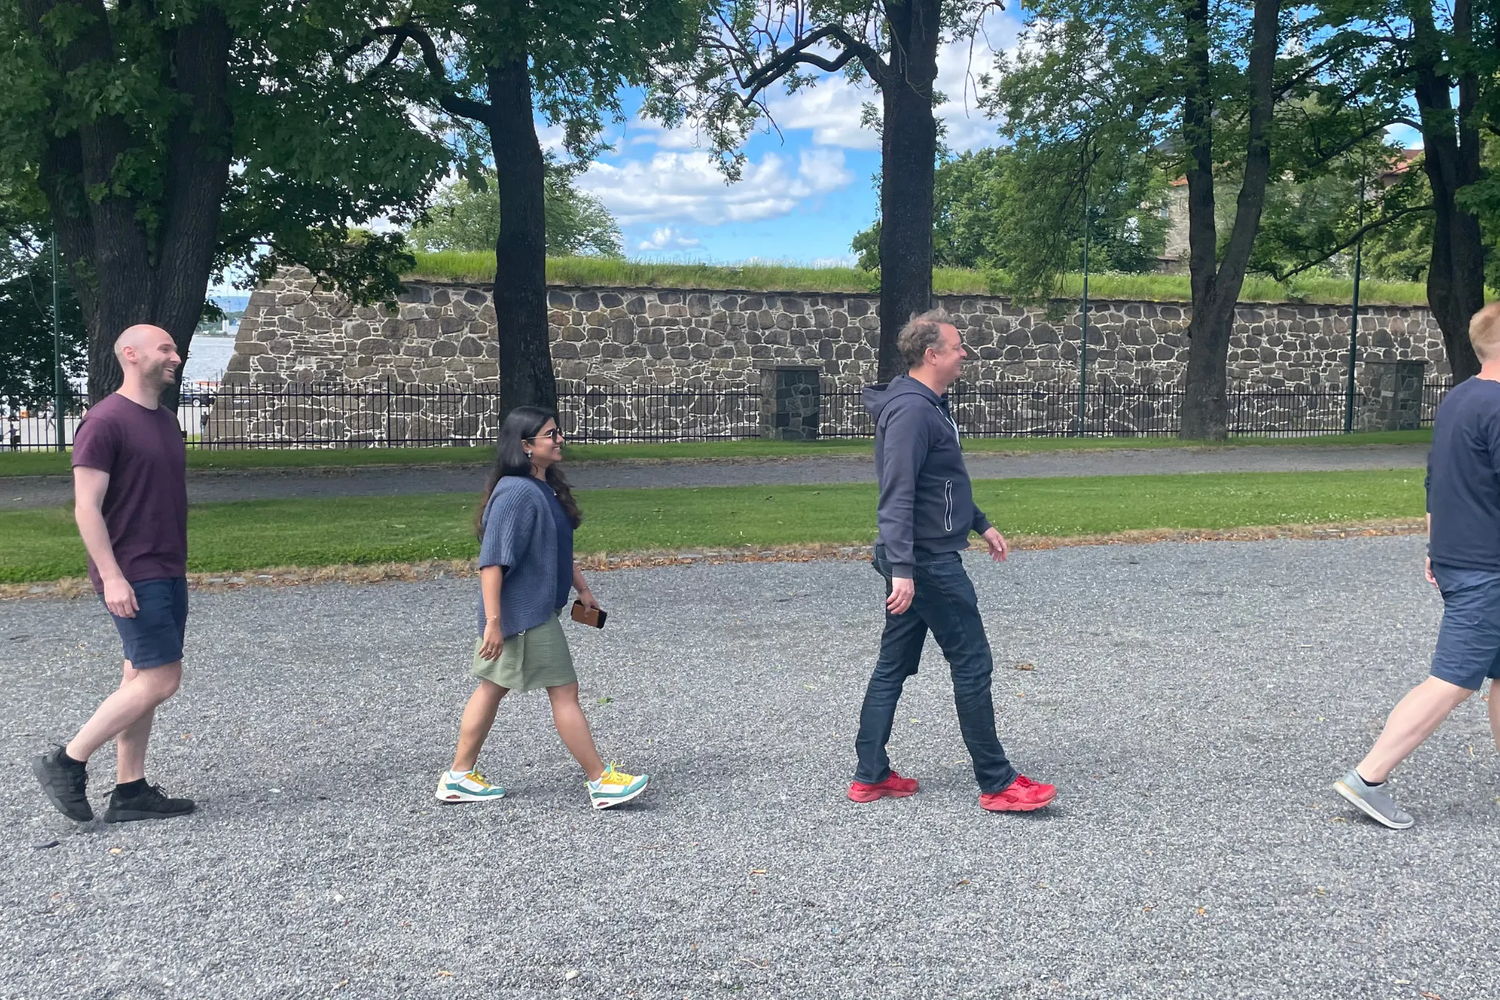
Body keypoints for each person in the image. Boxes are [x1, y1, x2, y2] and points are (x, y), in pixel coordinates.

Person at [851, 309, 1057, 813]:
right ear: (932, 354)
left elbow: (942, 480)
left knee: (893, 664)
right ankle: (997, 783)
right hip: (926, 561)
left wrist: (980, 523)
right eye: (958, 346)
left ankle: (870, 776)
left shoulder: (928, 404)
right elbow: (897, 494)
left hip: (920, 555)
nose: (965, 354)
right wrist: (903, 570)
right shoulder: (912, 411)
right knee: (972, 662)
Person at [1335, 301, 1500, 829]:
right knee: (1452, 681)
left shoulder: (1460, 398)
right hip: (1488, 567)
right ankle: (1368, 777)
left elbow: (1438, 479)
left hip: (1463, 557)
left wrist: (1436, 546)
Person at [435, 406, 650, 810]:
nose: (560, 439)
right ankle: (600, 781)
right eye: (551, 434)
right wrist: (494, 623)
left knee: (491, 688)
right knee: (564, 691)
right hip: (524, 615)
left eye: (558, 432)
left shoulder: (543, 487)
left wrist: (582, 589)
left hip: (524, 613)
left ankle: (459, 776)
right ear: (526, 446)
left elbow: (555, 549)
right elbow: (492, 562)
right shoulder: (516, 493)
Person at [32, 325, 196, 824]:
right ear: (131, 354)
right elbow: (86, 506)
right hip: (133, 570)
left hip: (167, 565)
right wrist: (112, 576)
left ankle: (130, 791)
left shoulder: (164, 420)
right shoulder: (105, 421)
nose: (176, 356)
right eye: (165, 348)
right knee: (162, 679)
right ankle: (67, 761)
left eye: (175, 348)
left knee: (138, 676)